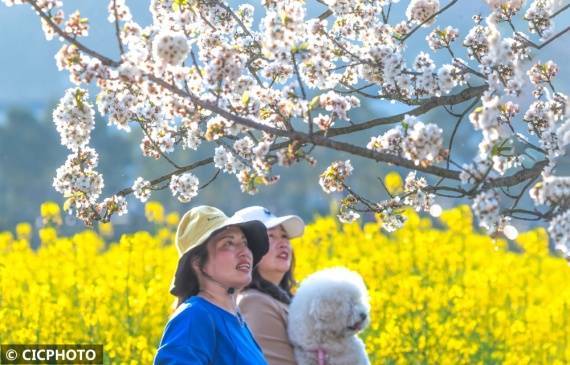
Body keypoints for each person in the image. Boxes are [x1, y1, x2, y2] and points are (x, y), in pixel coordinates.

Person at [154, 205, 270, 365]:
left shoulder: (236, 320)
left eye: (244, 242)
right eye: (228, 243)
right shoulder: (194, 316)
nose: (244, 251)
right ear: (197, 263)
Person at [234, 206, 305, 365]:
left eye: (284, 236)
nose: (283, 243)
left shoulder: (286, 300)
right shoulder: (254, 303)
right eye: (270, 236)